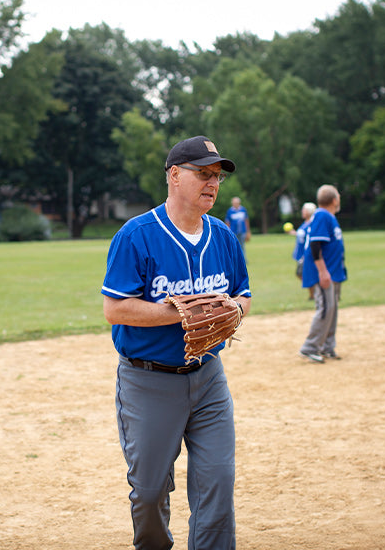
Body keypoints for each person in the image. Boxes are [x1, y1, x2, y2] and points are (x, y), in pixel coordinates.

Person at [102, 135, 251, 550]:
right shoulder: (137, 235)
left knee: (218, 482)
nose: (213, 183)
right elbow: (115, 309)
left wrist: (235, 311)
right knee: (149, 493)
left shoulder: (222, 236)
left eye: (217, 176)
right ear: (174, 176)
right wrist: (181, 313)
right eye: (202, 173)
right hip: (148, 382)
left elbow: (243, 293)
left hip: (209, 381)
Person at [299, 185, 347, 363]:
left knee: (332, 309)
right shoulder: (322, 215)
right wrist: (323, 272)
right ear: (334, 200)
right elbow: (315, 245)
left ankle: (327, 346)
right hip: (324, 273)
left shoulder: (328, 216)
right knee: (326, 308)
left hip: (333, 271)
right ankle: (310, 347)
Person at [292, 202, 317, 300]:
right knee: (301, 274)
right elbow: (301, 235)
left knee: (301, 273)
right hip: (300, 253)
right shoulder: (305, 223)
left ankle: (314, 294)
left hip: (306, 254)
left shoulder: (312, 224)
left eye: (304, 210)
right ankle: (313, 293)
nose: (302, 211)